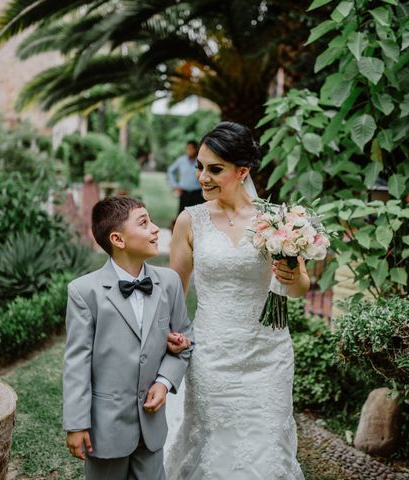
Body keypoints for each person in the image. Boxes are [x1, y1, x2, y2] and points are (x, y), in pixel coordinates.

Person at [164, 122, 309, 479]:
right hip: (211, 355)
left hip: (267, 354)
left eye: (215, 169)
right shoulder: (189, 221)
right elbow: (174, 295)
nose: (202, 177)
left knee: (267, 447)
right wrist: (167, 340)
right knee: (213, 446)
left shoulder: (277, 221)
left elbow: (300, 287)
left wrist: (294, 278)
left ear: (242, 171)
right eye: (200, 166)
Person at [63, 195, 194, 480]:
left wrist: (164, 380)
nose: (156, 229)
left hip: (151, 428)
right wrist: (76, 424)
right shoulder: (85, 292)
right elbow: (77, 363)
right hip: (105, 428)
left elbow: (184, 337)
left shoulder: (169, 282)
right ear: (118, 240)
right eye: (144, 223)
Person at [167, 140, 204, 214]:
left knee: (197, 216)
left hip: (197, 194)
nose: (189, 151)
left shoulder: (200, 161)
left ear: (196, 149)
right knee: (182, 215)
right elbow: (170, 171)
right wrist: (175, 186)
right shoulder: (181, 160)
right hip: (184, 194)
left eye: (191, 148)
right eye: (187, 148)